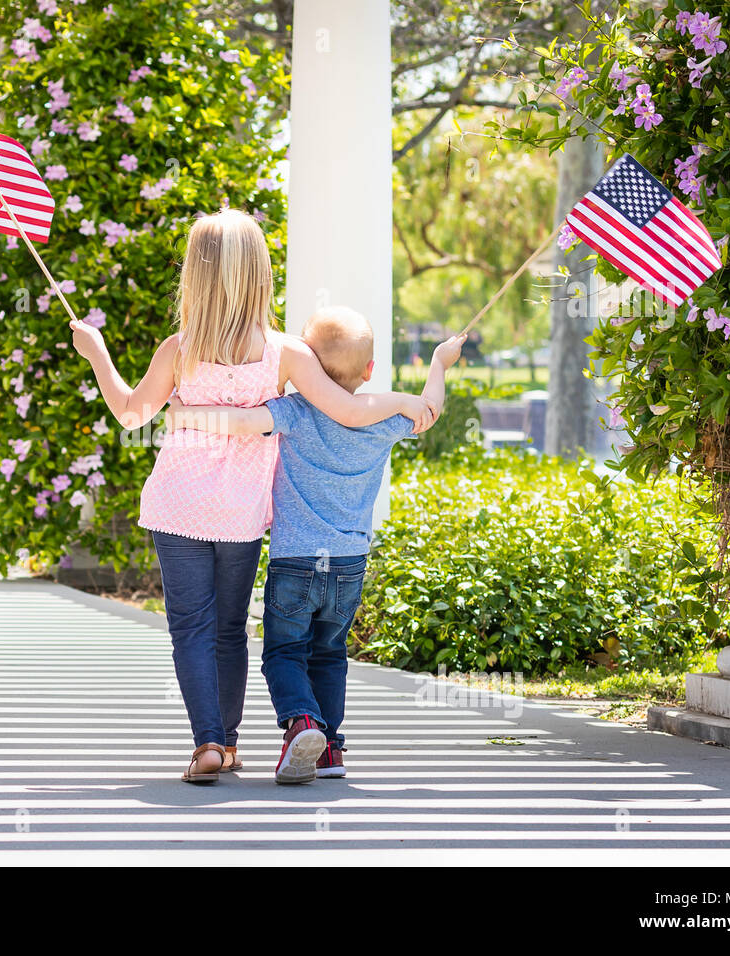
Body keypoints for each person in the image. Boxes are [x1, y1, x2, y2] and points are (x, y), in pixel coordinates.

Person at [70, 210, 439, 784]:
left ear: (195, 275)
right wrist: (405, 401)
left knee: (189, 628)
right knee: (229, 629)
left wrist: (97, 352)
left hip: (177, 506)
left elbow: (131, 413)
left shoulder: (179, 349)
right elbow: (343, 409)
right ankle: (235, 742)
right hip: (240, 514)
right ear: (260, 275)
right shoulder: (286, 352)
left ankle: (209, 744)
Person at [166, 307, 466, 783]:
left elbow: (241, 424)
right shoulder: (387, 419)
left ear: (307, 371)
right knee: (330, 652)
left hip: (295, 563)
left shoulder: (297, 411)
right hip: (349, 564)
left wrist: (187, 414)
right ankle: (331, 752)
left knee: (284, 653)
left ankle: (302, 721)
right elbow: (430, 410)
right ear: (368, 371)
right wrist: (438, 364)